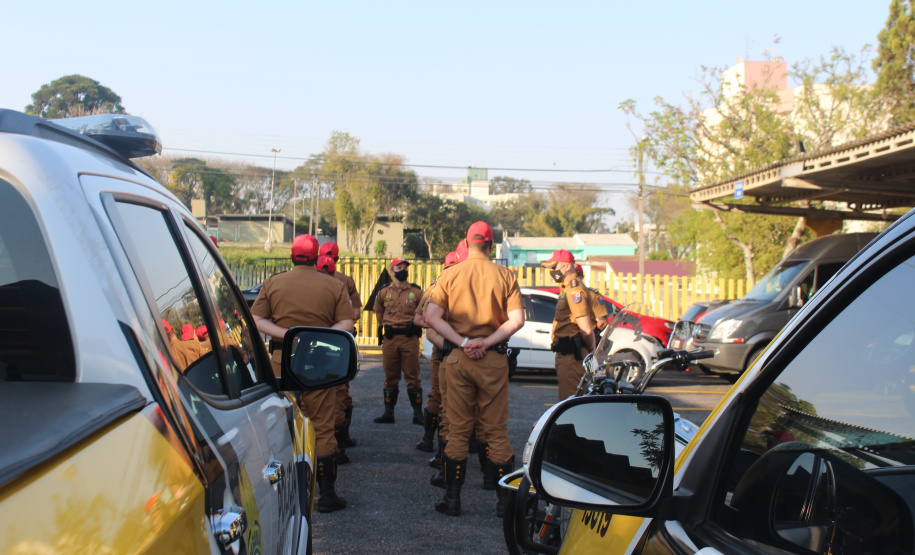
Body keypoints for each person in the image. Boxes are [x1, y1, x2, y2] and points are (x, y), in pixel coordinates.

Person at [425, 221, 525, 517]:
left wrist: (464, 341)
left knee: (457, 429)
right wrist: (487, 341)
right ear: (491, 246)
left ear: (466, 244)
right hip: (493, 360)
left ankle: (452, 501)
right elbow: (516, 321)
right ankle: (504, 504)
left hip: (458, 359)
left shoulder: (450, 274)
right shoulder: (506, 275)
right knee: (495, 431)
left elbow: (431, 317)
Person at [251, 234, 354, 513]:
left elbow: (256, 319)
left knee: (280, 426)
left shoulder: (273, 282)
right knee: (322, 427)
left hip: (281, 361)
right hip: (320, 364)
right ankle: (327, 496)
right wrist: (313, 338)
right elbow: (347, 321)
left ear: (292, 256)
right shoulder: (333, 285)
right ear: (317, 256)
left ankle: (281, 493)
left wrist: (289, 335)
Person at [319, 242, 363, 464]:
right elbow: (355, 311)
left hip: (309, 343)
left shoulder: (298, 281)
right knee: (339, 391)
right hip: (338, 341)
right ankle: (338, 445)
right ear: (336, 259)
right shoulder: (344, 281)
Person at [413, 251, 459, 454]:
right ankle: (430, 439)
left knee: (461, 400)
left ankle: (457, 445)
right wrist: (438, 325)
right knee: (439, 396)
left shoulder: (467, 287)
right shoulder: (435, 288)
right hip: (443, 350)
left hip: (461, 349)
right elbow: (419, 319)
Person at [372, 257, 424, 425]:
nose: (403, 270)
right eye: (399, 267)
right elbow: (379, 312)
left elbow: (423, 312)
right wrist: (386, 325)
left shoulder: (416, 292)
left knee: (413, 376)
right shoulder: (384, 292)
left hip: (410, 339)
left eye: (405, 267)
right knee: (390, 376)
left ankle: (417, 413)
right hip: (390, 339)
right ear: (392, 270)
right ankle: (388, 413)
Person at [542, 250, 596, 401]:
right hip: (568, 355)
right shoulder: (567, 288)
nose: (552, 272)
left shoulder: (574, 290)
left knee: (570, 404)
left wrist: (591, 350)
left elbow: (585, 328)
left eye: (554, 267)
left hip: (573, 356)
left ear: (566, 267)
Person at [575, 263, 609, 334]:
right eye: (571, 275)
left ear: (582, 277)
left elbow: (603, 322)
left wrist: (592, 336)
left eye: (577, 275)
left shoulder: (592, 294)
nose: (574, 278)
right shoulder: (564, 293)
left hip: (585, 338)